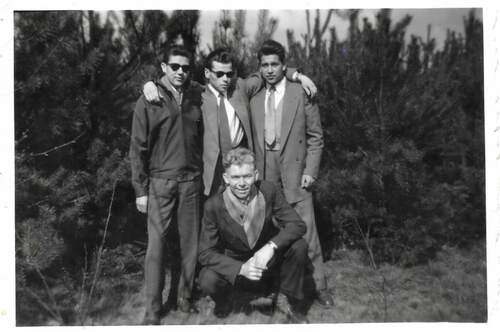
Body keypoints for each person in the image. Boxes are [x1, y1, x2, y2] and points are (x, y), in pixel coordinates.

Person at [142, 48, 318, 196]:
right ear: (207, 73)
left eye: (229, 74)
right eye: (219, 74)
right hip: (212, 171)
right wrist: (150, 84)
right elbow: (172, 82)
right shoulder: (197, 93)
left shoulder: (240, 88)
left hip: (241, 167)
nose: (225, 79)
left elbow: (267, 72)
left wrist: (296, 74)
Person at [249, 39, 333, 306]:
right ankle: (277, 286)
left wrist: (311, 171)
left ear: (284, 65)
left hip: (296, 171)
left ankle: (319, 287)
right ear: (259, 68)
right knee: (272, 234)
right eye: (265, 65)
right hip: (266, 173)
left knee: (307, 232)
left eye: (275, 64)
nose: (270, 70)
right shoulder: (255, 97)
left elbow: (316, 138)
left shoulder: (301, 93)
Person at [129, 45, 202, 324]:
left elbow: (232, 83)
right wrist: (140, 190)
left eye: (185, 67)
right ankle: (152, 310)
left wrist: (294, 73)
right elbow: (137, 148)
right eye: (175, 67)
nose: (181, 72)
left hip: (191, 182)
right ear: (164, 67)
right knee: (156, 249)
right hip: (160, 184)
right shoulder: (149, 99)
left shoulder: (197, 94)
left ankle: (183, 299)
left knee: (189, 246)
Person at [198, 147, 310, 323]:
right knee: (207, 279)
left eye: (247, 176)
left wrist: (270, 247)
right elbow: (205, 253)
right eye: (235, 177)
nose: (242, 183)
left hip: (267, 259)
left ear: (256, 175)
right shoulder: (213, 206)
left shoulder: (269, 190)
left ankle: (290, 301)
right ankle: (224, 301)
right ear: (226, 178)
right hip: (237, 261)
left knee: (299, 246)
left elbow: (297, 224)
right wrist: (241, 268)